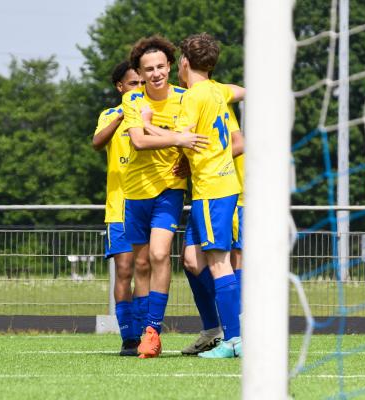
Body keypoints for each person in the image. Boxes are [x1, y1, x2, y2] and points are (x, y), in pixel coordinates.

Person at [121, 35, 208, 359]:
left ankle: (152, 332)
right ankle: (142, 330)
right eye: (149, 69)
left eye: (161, 66)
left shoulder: (187, 98)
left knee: (159, 255)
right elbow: (139, 142)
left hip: (169, 191)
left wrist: (185, 149)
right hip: (134, 192)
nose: (156, 73)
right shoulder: (133, 100)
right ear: (140, 73)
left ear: (170, 66)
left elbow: (198, 139)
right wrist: (178, 139)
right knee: (140, 263)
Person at [177, 32, 243, 359]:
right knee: (192, 258)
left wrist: (148, 127)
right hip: (215, 187)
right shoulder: (218, 90)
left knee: (219, 263)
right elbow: (245, 92)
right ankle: (216, 327)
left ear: (184, 62)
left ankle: (235, 338)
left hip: (212, 188)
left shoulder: (192, 96)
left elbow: (182, 137)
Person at [92, 61, 143, 356]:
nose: (138, 88)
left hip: (146, 202)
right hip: (119, 206)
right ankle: (128, 336)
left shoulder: (155, 112)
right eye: (132, 84)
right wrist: (123, 114)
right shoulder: (110, 114)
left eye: (141, 83)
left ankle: (144, 331)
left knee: (145, 268)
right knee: (124, 269)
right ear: (120, 87)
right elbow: (97, 143)